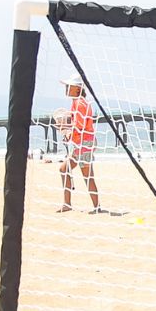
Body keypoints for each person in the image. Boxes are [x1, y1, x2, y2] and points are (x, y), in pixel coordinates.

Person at [56, 75, 101, 213]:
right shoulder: (78, 102)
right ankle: (67, 204)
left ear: (77, 89)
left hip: (84, 143)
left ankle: (97, 207)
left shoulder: (79, 103)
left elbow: (80, 126)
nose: (66, 88)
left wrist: (67, 130)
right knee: (64, 169)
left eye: (69, 86)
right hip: (82, 143)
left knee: (87, 176)